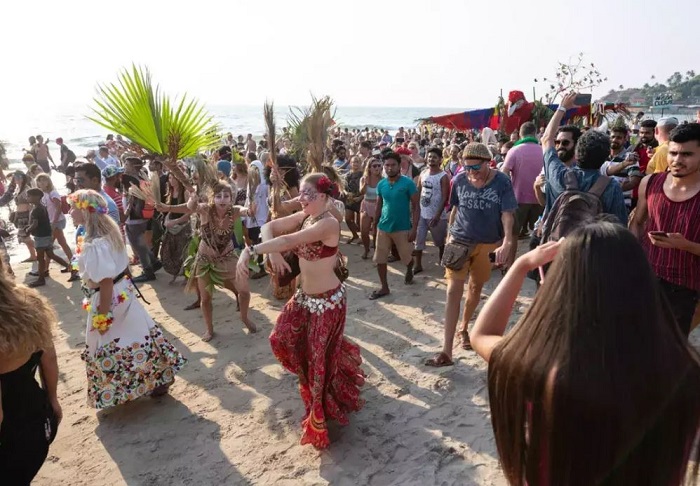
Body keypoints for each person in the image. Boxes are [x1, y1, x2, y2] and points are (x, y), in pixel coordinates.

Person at [469, 221, 700, 486]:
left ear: (561, 287)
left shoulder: (542, 369)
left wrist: (522, 265)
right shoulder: (682, 371)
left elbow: (481, 334)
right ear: (644, 286)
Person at [236, 173, 365, 449]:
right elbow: (271, 226)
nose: (301, 199)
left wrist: (252, 250)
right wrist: (273, 254)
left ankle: (318, 417)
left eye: (307, 194)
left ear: (324, 196)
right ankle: (330, 377)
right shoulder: (308, 216)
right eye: (301, 193)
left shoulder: (328, 223)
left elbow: (287, 240)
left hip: (328, 303)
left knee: (318, 362)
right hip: (305, 298)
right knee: (280, 339)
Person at [69, 190, 186, 407]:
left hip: (109, 296)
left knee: (110, 341)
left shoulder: (95, 243)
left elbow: (104, 281)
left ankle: (125, 388)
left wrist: (103, 316)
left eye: (74, 207)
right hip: (122, 292)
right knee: (139, 334)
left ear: (86, 211)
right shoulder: (110, 234)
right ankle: (158, 379)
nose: (70, 212)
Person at [425, 143, 517, 367]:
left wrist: (507, 241)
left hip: (487, 243)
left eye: (476, 168)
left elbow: (507, 214)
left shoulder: (502, 182)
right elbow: (455, 209)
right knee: (452, 291)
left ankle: (464, 327)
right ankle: (446, 351)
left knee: (475, 288)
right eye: (467, 168)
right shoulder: (459, 180)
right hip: (459, 240)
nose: (471, 172)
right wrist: (448, 236)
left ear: (488, 163)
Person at [630, 123, 700, 336]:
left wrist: (685, 245)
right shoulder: (650, 183)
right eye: (673, 153)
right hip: (646, 280)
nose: (677, 160)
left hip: (687, 289)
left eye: (686, 154)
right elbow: (637, 222)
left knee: (671, 351)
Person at [0, 258, 62, 484]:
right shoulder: (29, 302)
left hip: (9, 438)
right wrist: (53, 398)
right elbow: (50, 357)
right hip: (39, 421)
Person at [541, 92, 628, 226]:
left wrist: (562, 108)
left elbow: (546, 139)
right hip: (594, 245)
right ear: (605, 157)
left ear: (577, 151)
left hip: (557, 244)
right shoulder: (611, 186)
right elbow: (619, 227)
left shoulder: (559, 175)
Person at [186, 181, 255, 341]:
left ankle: (244, 318)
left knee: (244, 291)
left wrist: (251, 209)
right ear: (213, 198)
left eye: (226, 196)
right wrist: (192, 197)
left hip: (228, 257)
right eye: (218, 196)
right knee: (205, 298)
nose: (222, 200)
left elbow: (247, 211)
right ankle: (209, 330)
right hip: (205, 259)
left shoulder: (235, 211)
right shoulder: (206, 210)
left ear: (231, 198)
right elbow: (192, 207)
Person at [369, 151, 419, 300]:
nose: (390, 168)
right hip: (383, 227)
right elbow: (379, 206)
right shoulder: (381, 184)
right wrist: (374, 225)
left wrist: (414, 228)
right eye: (387, 165)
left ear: (399, 166)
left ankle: (410, 266)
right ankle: (384, 287)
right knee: (380, 259)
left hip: (402, 227)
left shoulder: (408, 183)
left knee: (406, 258)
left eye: (393, 165)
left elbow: (416, 207)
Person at [121, 155, 162, 282]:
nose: (124, 167)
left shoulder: (130, 180)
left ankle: (148, 271)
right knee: (142, 244)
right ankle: (154, 262)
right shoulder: (142, 177)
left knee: (139, 246)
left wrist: (125, 216)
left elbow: (130, 201)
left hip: (134, 218)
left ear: (133, 167)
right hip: (143, 216)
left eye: (126, 165)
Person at [501, 122, 543, 239]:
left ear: (520, 134)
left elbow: (504, 174)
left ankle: (512, 257)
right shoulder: (544, 150)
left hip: (518, 198)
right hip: (540, 198)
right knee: (539, 235)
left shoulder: (514, 151)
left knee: (513, 236)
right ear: (535, 134)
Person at [24, 188, 71, 287]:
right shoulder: (42, 207)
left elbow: (35, 224)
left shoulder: (36, 210)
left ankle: (41, 279)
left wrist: (27, 230)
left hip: (41, 236)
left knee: (40, 258)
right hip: (47, 235)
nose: (27, 198)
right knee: (51, 254)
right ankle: (71, 268)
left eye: (28, 196)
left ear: (36, 197)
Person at [34, 174, 77, 282]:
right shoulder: (43, 194)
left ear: (49, 182)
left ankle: (73, 268)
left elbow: (58, 208)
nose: (42, 183)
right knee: (51, 246)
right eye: (39, 181)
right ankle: (46, 269)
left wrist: (54, 222)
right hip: (50, 222)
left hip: (56, 222)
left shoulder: (52, 193)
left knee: (54, 246)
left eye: (44, 180)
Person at [413, 147, 449, 273]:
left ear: (440, 160)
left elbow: (445, 197)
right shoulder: (423, 173)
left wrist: (437, 215)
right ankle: (417, 265)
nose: (431, 159)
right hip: (423, 213)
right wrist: (416, 209)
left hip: (437, 215)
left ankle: (443, 263)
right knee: (419, 240)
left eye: (434, 157)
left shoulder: (443, 176)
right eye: (429, 157)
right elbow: (418, 191)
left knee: (440, 242)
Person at [160, 172, 193, 282]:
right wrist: (167, 220)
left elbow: (189, 212)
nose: (172, 180)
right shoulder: (170, 192)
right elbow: (170, 209)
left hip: (183, 226)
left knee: (183, 252)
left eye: (174, 178)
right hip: (171, 226)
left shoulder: (185, 192)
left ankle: (186, 276)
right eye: (170, 178)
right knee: (168, 251)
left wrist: (176, 221)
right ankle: (175, 273)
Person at [0, 171, 38, 262]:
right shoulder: (18, 189)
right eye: (15, 177)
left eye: (18, 177)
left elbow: (30, 204)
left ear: (23, 178)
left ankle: (42, 251)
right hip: (20, 216)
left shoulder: (26, 189)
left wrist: (30, 217)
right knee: (24, 237)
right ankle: (33, 255)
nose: (16, 179)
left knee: (25, 237)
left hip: (25, 215)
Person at [359, 157, 382, 260]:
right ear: (369, 168)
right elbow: (361, 192)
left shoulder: (383, 180)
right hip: (367, 205)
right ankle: (366, 249)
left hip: (379, 206)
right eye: (374, 166)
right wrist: (366, 183)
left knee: (377, 232)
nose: (377, 168)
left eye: (379, 165)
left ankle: (377, 250)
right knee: (364, 231)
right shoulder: (364, 178)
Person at [343, 156, 364, 243]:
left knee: (361, 223)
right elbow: (343, 187)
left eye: (357, 162)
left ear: (360, 163)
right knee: (348, 219)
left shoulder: (363, 175)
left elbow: (368, 188)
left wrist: (361, 197)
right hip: (350, 199)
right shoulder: (348, 175)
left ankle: (363, 238)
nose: (355, 164)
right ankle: (355, 235)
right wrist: (346, 193)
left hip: (361, 200)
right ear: (350, 163)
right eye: (353, 162)